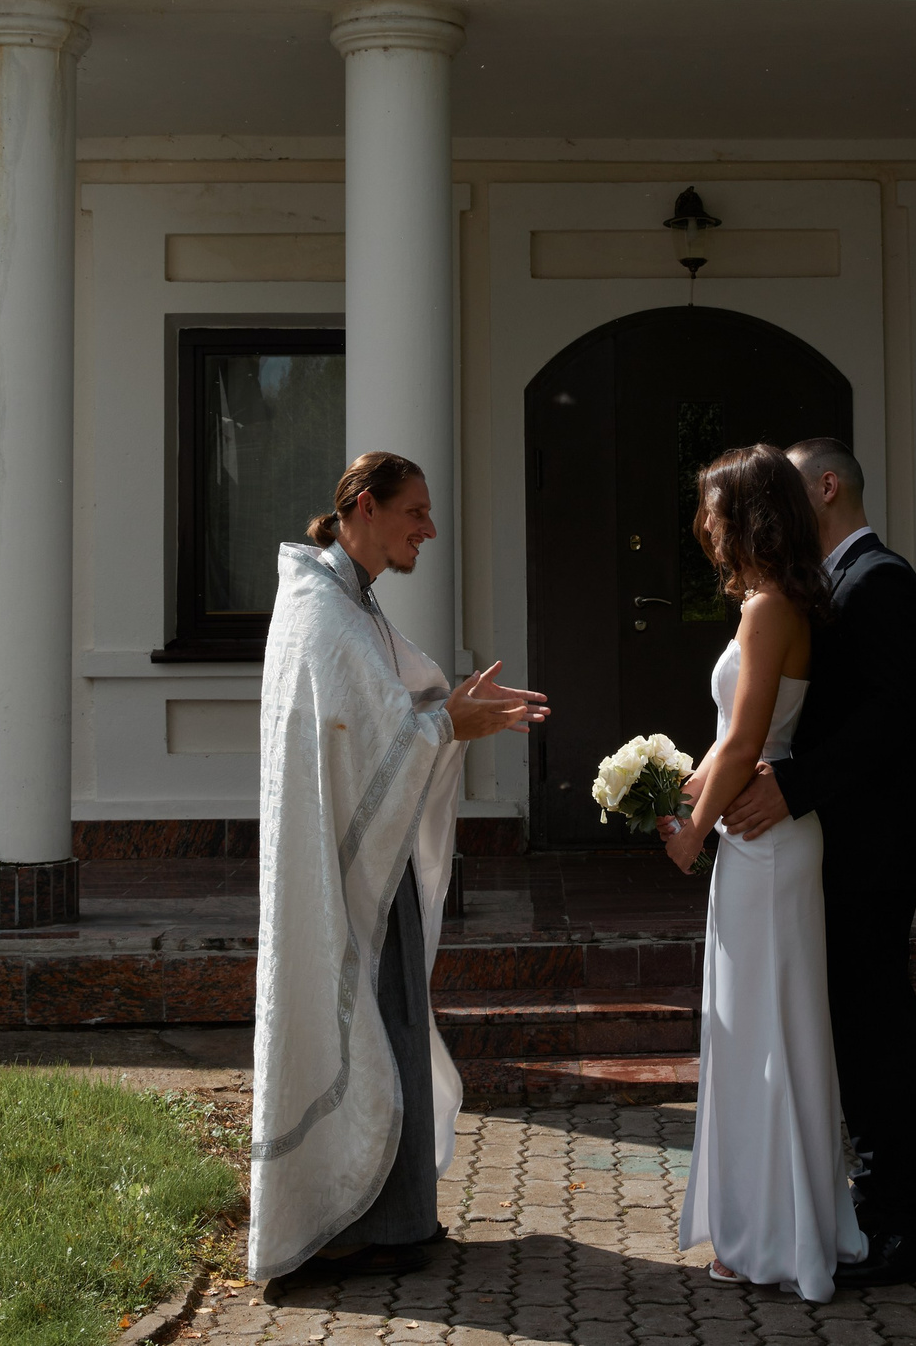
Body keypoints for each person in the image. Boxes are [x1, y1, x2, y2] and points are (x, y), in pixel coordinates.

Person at [248, 451, 548, 1287]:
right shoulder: (320, 608)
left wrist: (453, 714)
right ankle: (343, 1224)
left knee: (395, 1025)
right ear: (364, 507)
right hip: (346, 871)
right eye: (415, 511)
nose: (430, 528)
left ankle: (396, 1217)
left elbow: (385, 715)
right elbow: (371, 737)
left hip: (373, 857)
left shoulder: (353, 599)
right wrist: (447, 723)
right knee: (368, 1022)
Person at [720, 436, 916, 1286]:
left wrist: (791, 786)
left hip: (873, 850)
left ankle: (914, 1223)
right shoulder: (823, 586)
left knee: (877, 1031)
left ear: (825, 487)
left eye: (789, 485)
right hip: (836, 847)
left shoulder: (883, 582)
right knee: (854, 1031)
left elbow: (888, 720)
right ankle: (877, 1199)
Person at [662, 443, 867, 1301]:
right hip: (765, 839)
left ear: (747, 515)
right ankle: (776, 1223)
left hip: (764, 843)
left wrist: (692, 834)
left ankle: (772, 1239)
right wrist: (678, 789)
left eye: (713, 510)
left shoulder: (767, 608)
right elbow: (733, 740)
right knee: (762, 1028)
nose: (704, 524)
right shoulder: (778, 601)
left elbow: (748, 741)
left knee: (767, 1034)